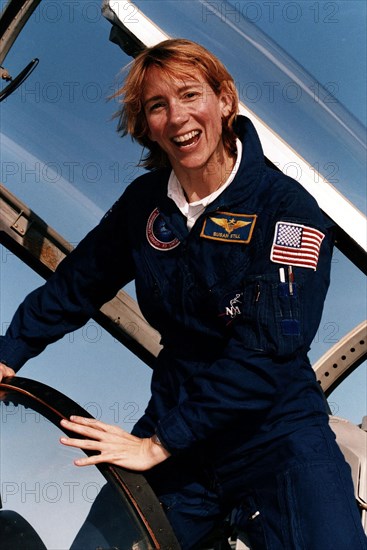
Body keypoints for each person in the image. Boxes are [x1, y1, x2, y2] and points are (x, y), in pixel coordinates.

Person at [0, 39, 365, 550]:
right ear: (145, 125)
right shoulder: (144, 206)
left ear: (225, 99)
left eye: (191, 95)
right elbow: (76, 284)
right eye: (157, 106)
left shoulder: (287, 210)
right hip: (179, 437)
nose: (177, 118)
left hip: (276, 438)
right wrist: (9, 353)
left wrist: (159, 444)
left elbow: (269, 351)